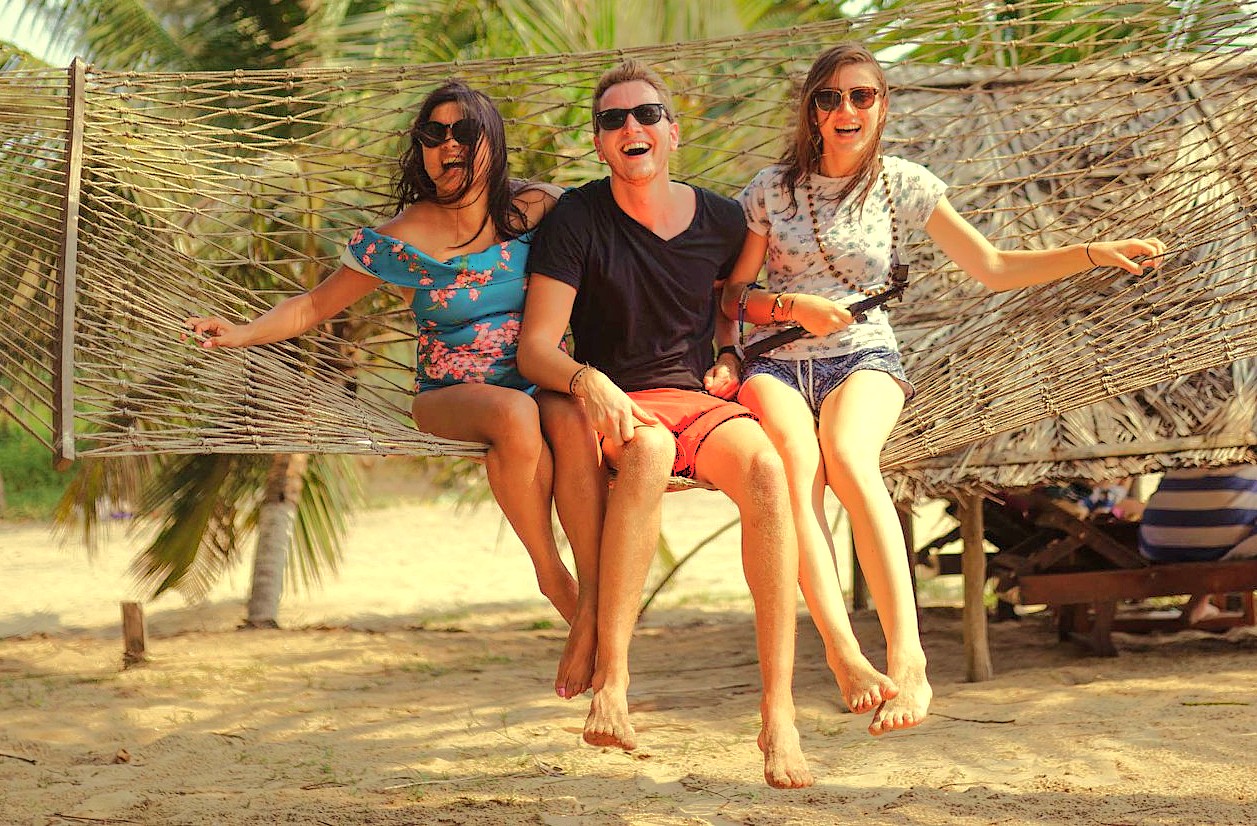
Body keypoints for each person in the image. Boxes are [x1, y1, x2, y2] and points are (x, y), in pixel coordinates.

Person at [720, 42, 1167, 736]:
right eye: (830, 97)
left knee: (846, 455)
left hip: (861, 357)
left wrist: (1088, 253)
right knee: (789, 469)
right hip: (775, 360)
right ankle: (843, 653)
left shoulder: (903, 184)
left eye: (861, 96)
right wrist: (791, 307)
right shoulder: (768, 190)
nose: (845, 110)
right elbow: (734, 296)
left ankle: (909, 661)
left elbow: (988, 265)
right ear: (810, 109)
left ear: (881, 106)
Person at [183, 81, 600, 698]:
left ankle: (595, 605)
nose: (447, 144)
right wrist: (240, 333)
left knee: (571, 413)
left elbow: (618, 227)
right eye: (433, 134)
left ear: (492, 142)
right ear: (421, 150)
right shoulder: (402, 235)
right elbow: (313, 306)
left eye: (463, 132)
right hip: (448, 394)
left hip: (540, 380)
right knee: (515, 413)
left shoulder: (539, 208)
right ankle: (553, 577)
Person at [517, 59, 813, 789]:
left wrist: (722, 353)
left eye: (645, 115)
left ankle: (779, 714)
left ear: (671, 132)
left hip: (695, 399)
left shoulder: (720, 219)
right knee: (646, 453)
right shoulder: (578, 220)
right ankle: (613, 685)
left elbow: (732, 300)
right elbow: (536, 345)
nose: (631, 128)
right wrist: (591, 384)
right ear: (598, 144)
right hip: (613, 399)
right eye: (613, 120)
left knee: (770, 472)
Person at [1138, 464, 1257, 623]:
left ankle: (1197, 605)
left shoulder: (1178, 442)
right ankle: (1199, 604)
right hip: (1219, 542)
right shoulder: (1247, 444)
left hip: (1157, 539)